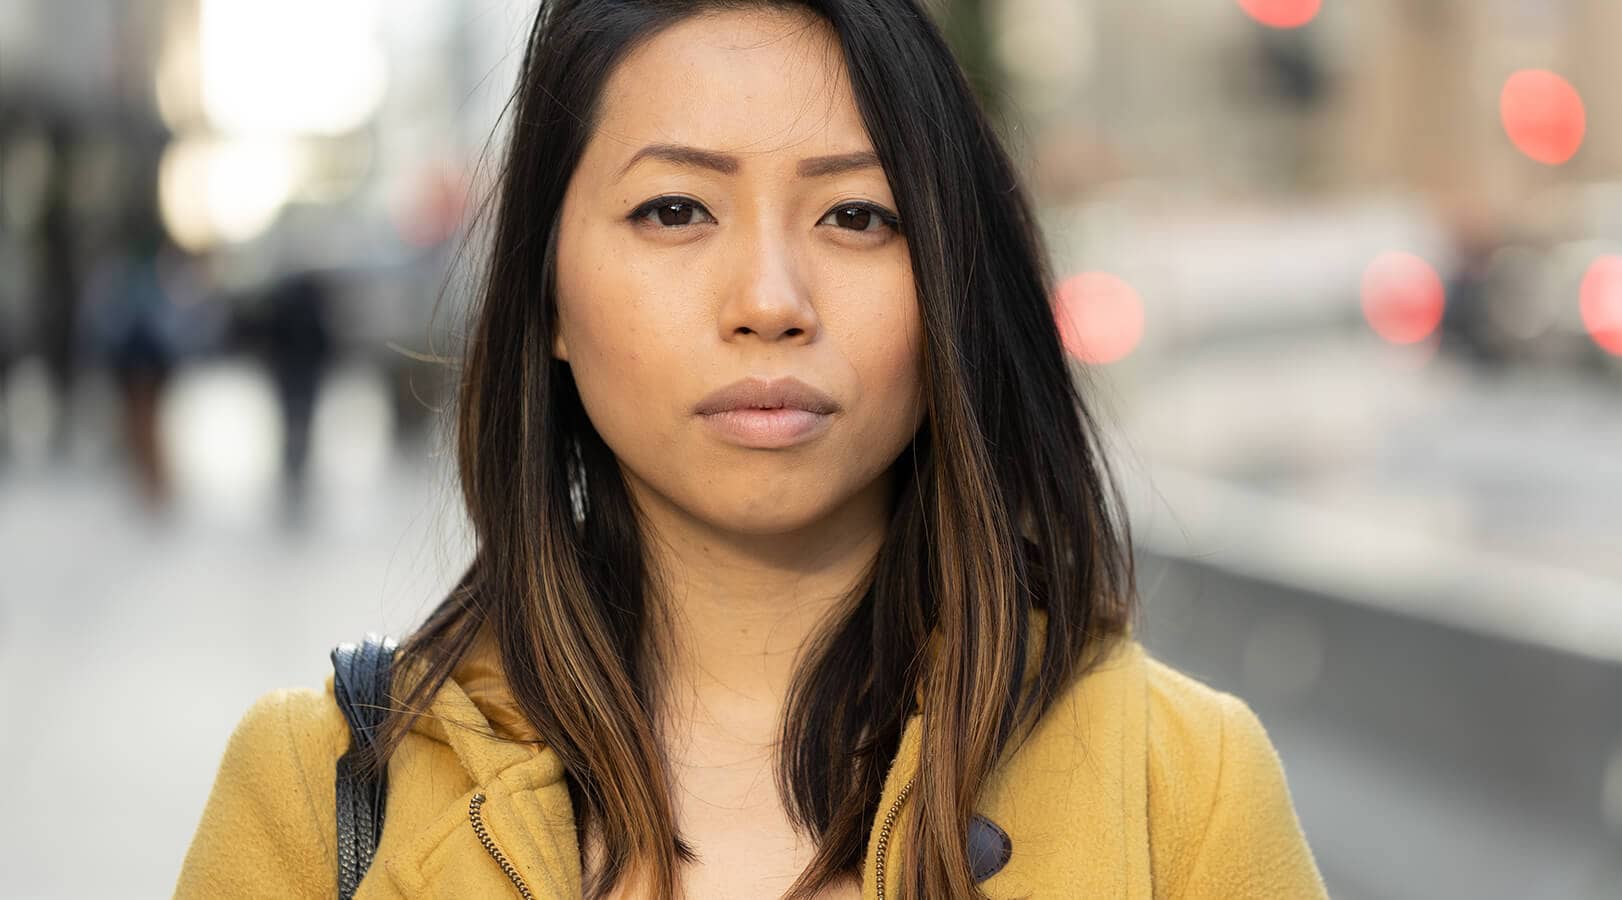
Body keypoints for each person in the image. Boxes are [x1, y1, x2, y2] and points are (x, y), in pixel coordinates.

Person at [174, 2, 1328, 897]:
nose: (770, 301)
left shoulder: (1180, 790)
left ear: (949, 291)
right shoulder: (321, 790)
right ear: (550, 299)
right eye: (676, 210)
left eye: (857, 216)